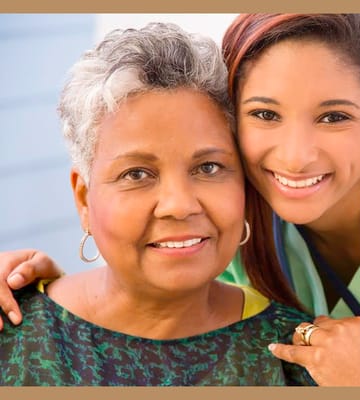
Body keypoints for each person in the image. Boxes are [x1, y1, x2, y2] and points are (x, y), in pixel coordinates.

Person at [0, 14, 360, 386]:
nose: (295, 156)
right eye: (264, 115)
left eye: (332, 116)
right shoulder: (250, 216)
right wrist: (52, 294)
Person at [0, 22, 315, 386]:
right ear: (84, 200)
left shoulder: (296, 355)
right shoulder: (14, 334)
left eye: (208, 167)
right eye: (137, 174)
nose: (179, 206)